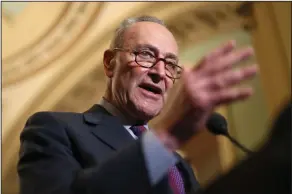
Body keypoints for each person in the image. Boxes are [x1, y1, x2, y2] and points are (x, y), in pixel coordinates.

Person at [17, 16, 258, 194]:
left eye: (171, 64)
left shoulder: (179, 164)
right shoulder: (53, 129)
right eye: (146, 55)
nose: (160, 72)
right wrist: (168, 135)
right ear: (110, 63)